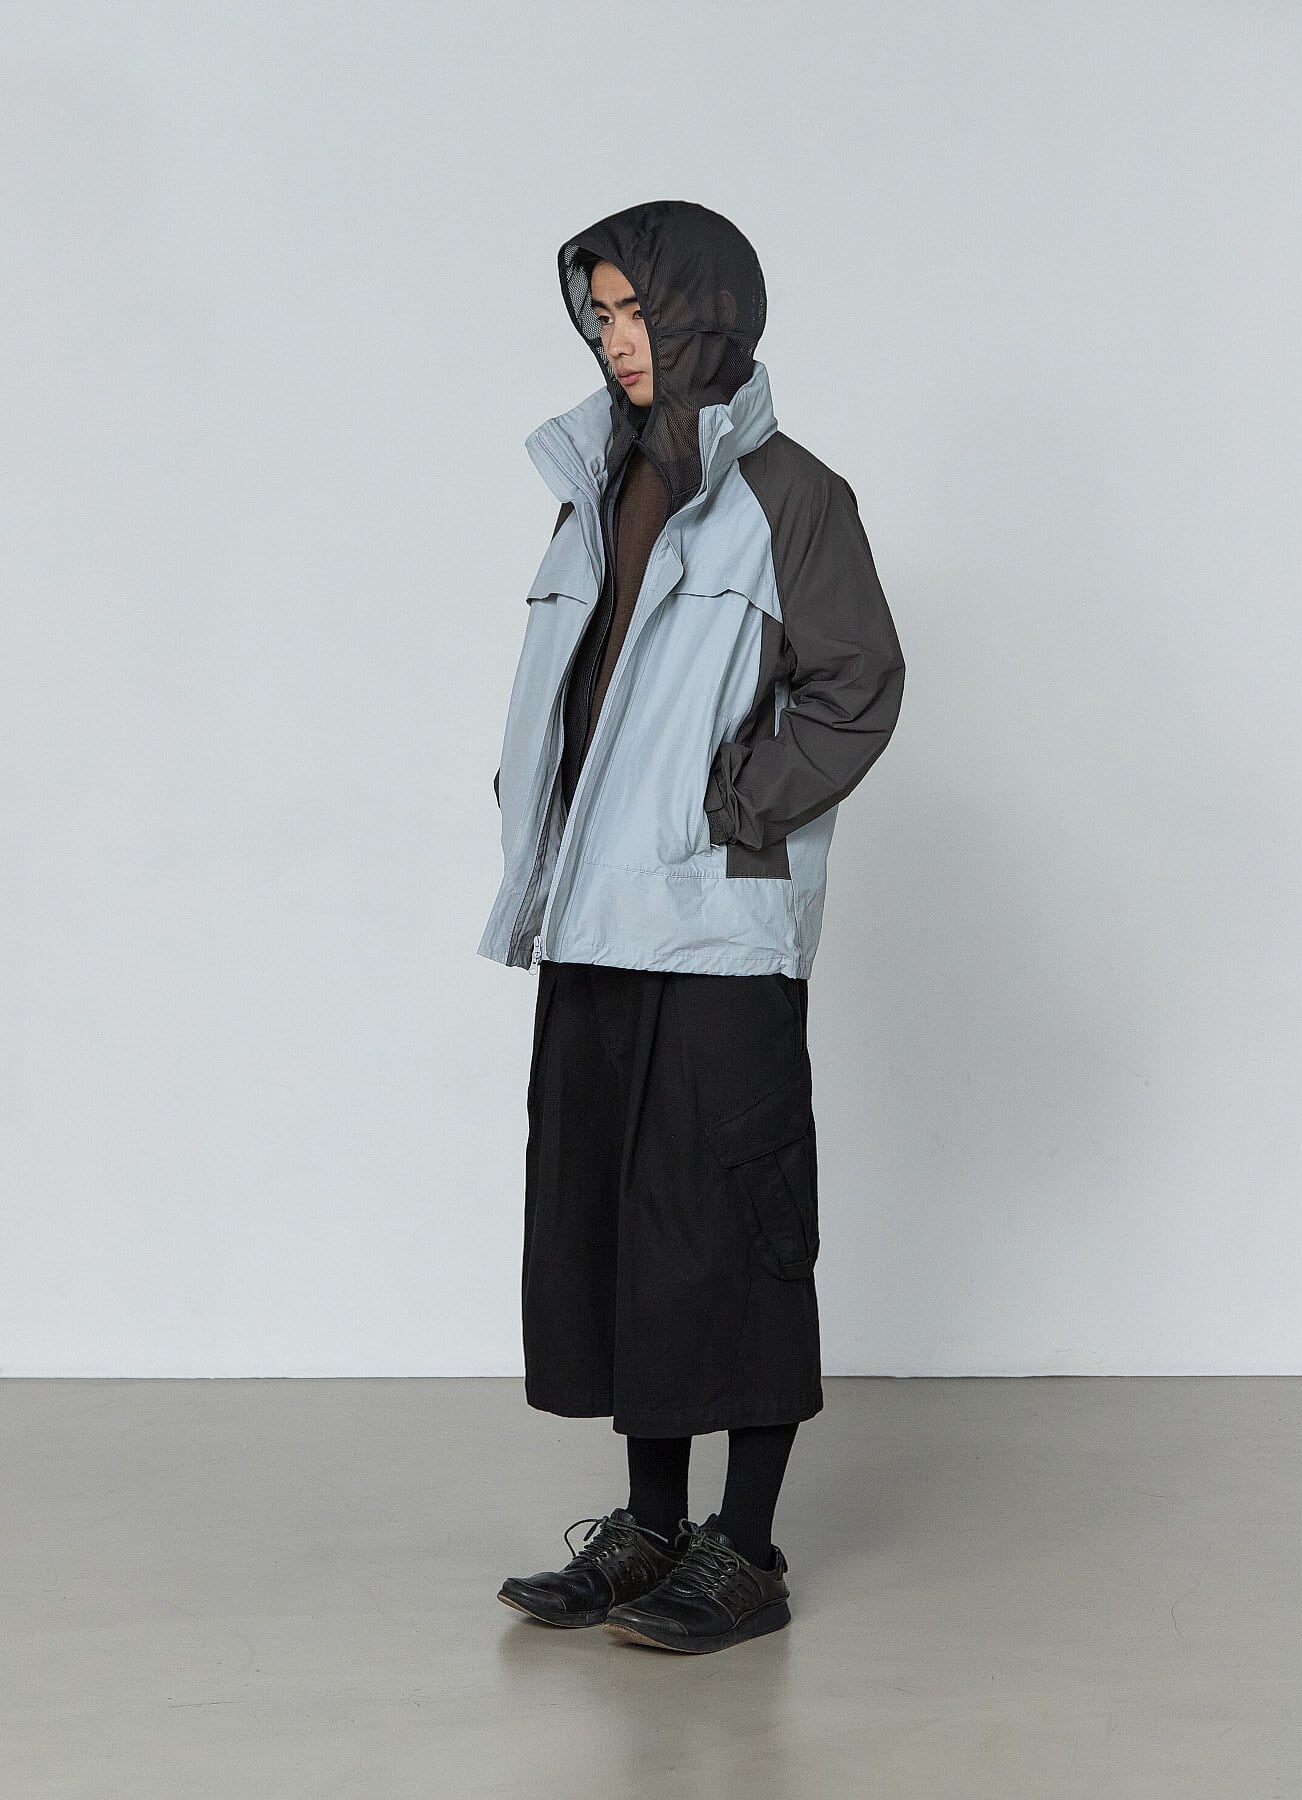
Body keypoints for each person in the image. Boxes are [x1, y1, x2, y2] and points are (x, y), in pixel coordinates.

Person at [479, 200, 906, 1654]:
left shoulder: (793, 496)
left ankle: (748, 1550)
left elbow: (855, 683)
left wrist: (740, 806)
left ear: (700, 314)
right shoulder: (592, 483)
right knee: (620, 1232)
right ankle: (652, 1530)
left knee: (729, 1229)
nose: (616, 340)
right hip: (591, 918)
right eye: (597, 315)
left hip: (713, 931)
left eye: (635, 312)